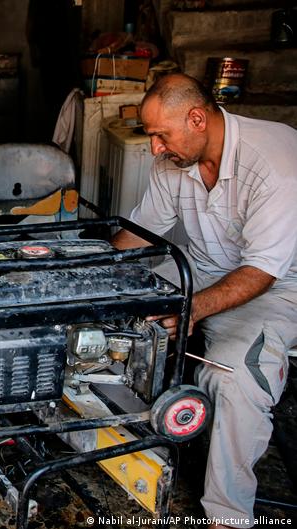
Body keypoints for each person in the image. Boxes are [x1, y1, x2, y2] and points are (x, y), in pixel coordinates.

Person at [111, 73, 297, 529]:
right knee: (114, 313)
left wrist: (191, 308)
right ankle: (124, 443)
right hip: (203, 269)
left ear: (197, 118)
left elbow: (261, 271)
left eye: (160, 135)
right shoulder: (173, 164)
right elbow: (141, 236)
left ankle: (227, 516)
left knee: (233, 379)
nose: (154, 148)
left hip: (276, 286)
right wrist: (96, 276)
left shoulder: (274, 160)